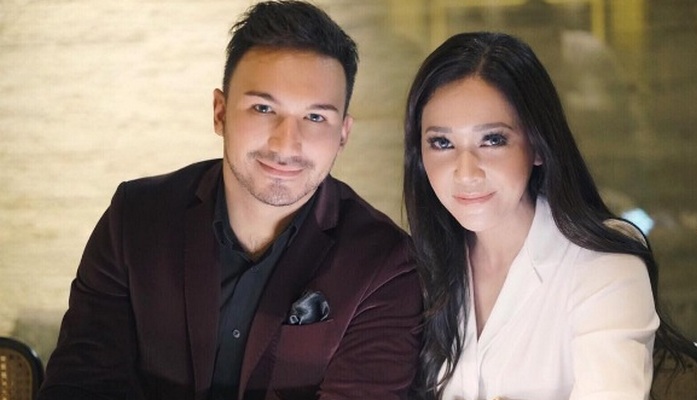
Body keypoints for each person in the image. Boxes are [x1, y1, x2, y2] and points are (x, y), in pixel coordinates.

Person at [38, 1, 422, 399]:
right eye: (263, 108)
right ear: (220, 113)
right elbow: (80, 385)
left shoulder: (385, 264)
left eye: (315, 117)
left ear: (343, 133)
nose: (285, 144)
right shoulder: (135, 219)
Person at [403, 31, 685, 399]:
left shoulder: (602, 263)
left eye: (493, 140)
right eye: (442, 143)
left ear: (537, 146)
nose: (466, 172)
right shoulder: (419, 266)